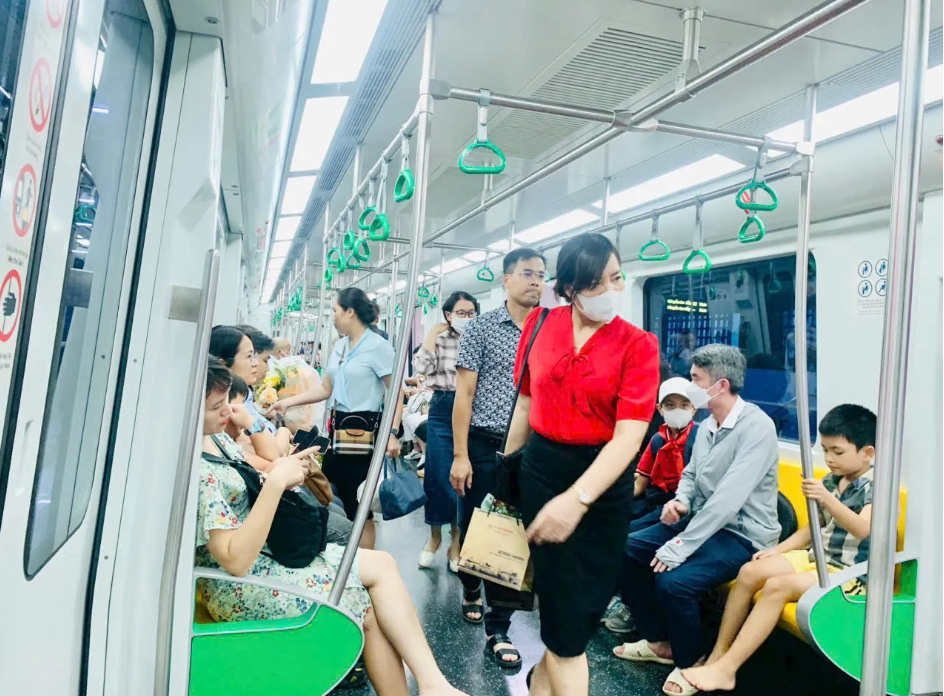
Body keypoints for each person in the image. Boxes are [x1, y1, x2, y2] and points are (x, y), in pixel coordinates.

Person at [197, 358, 469, 696]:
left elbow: (262, 467)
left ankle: (432, 684)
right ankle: (431, 685)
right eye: (216, 407)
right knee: (363, 602)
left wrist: (278, 467)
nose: (228, 411)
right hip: (237, 583)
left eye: (226, 401)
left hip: (264, 555)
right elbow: (235, 562)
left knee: (383, 563)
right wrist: (276, 483)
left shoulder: (217, 440)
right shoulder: (198, 470)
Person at [500, 233, 659, 696]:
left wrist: (578, 499)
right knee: (561, 614)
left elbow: (629, 436)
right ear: (569, 288)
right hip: (541, 471)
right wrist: (504, 478)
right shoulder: (539, 325)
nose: (611, 290)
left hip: (602, 484)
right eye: (596, 283)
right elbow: (525, 404)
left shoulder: (638, 344)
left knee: (577, 615)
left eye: (617, 278)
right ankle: (545, 679)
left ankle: (542, 679)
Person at [613, 344, 780, 696]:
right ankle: (660, 642)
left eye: (695, 379)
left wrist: (680, 545)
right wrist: (681, 500)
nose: (690, 386)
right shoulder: (707, 426)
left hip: (742, 534)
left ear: (720, 385)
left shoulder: (757, 428)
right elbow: (691, 474)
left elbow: (727, 501)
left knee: (675, 581)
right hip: (703, 522)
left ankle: (691, 661)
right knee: (627, 550)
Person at [682, 404, 876, 692]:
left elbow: (864, 529)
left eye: (837, 451)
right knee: (750, 571)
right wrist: (778, 550)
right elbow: (812, 529)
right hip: (816, 559)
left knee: (776, 587)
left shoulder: (876, 486)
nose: (829, 458)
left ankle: (728, 669)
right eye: (825, 450)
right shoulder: (831, 481)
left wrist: (826, 499)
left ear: (867, 453)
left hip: (848, 574)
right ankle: (718, 655)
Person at [450, 247, 546, 668]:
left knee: (512, 531)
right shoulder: (481, 328)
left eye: (541, 274)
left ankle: (498, 627)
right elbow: (465, 394)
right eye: (527, 273)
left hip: (531, 448)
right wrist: (460, 455)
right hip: (484, 442)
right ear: (506, 279)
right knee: (476, 525)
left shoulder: (551, 328)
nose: (536, 281)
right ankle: (471, 584)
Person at [270, 288, 402, 550]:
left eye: (335, 310)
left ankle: (363, 562)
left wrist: (393, 432)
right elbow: (325, 389)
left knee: (360, 505)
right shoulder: (340, 346)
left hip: (364, 433)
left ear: (350, 312)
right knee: (330, 492)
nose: (332, 316)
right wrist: (287, 402)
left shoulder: (379, 347)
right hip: (337, 430)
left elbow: (396, 392)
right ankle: (342, 555)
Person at [604, 375, 699, 636]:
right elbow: (642, 482)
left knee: (630, 544)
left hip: (686, 511)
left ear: (694, 408)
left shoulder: (700, 439)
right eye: (670, 405)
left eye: (684, 404)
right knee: (610, 531)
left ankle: (632, 609)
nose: (677, 410)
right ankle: (614, 597)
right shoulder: (658, 440)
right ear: (660, 409)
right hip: (658, 504)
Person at [413, 290, 479, 573]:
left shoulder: (481, 338)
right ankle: (434, 537)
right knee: (437, 476)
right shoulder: (440, 339)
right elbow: (420, 368)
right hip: (442, 407)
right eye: (461, 313)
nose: (466, 318)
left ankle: (456, 542)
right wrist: (431, 335)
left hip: (473, 409)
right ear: (448, 315)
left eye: (471, 313)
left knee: (464, 479)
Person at [209, 325, 293, 461]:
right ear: (223, 364)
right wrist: (284, 432)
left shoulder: (243, 395)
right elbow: (273, 458)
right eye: (249, 356)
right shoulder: (231, 403)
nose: (255, 363)